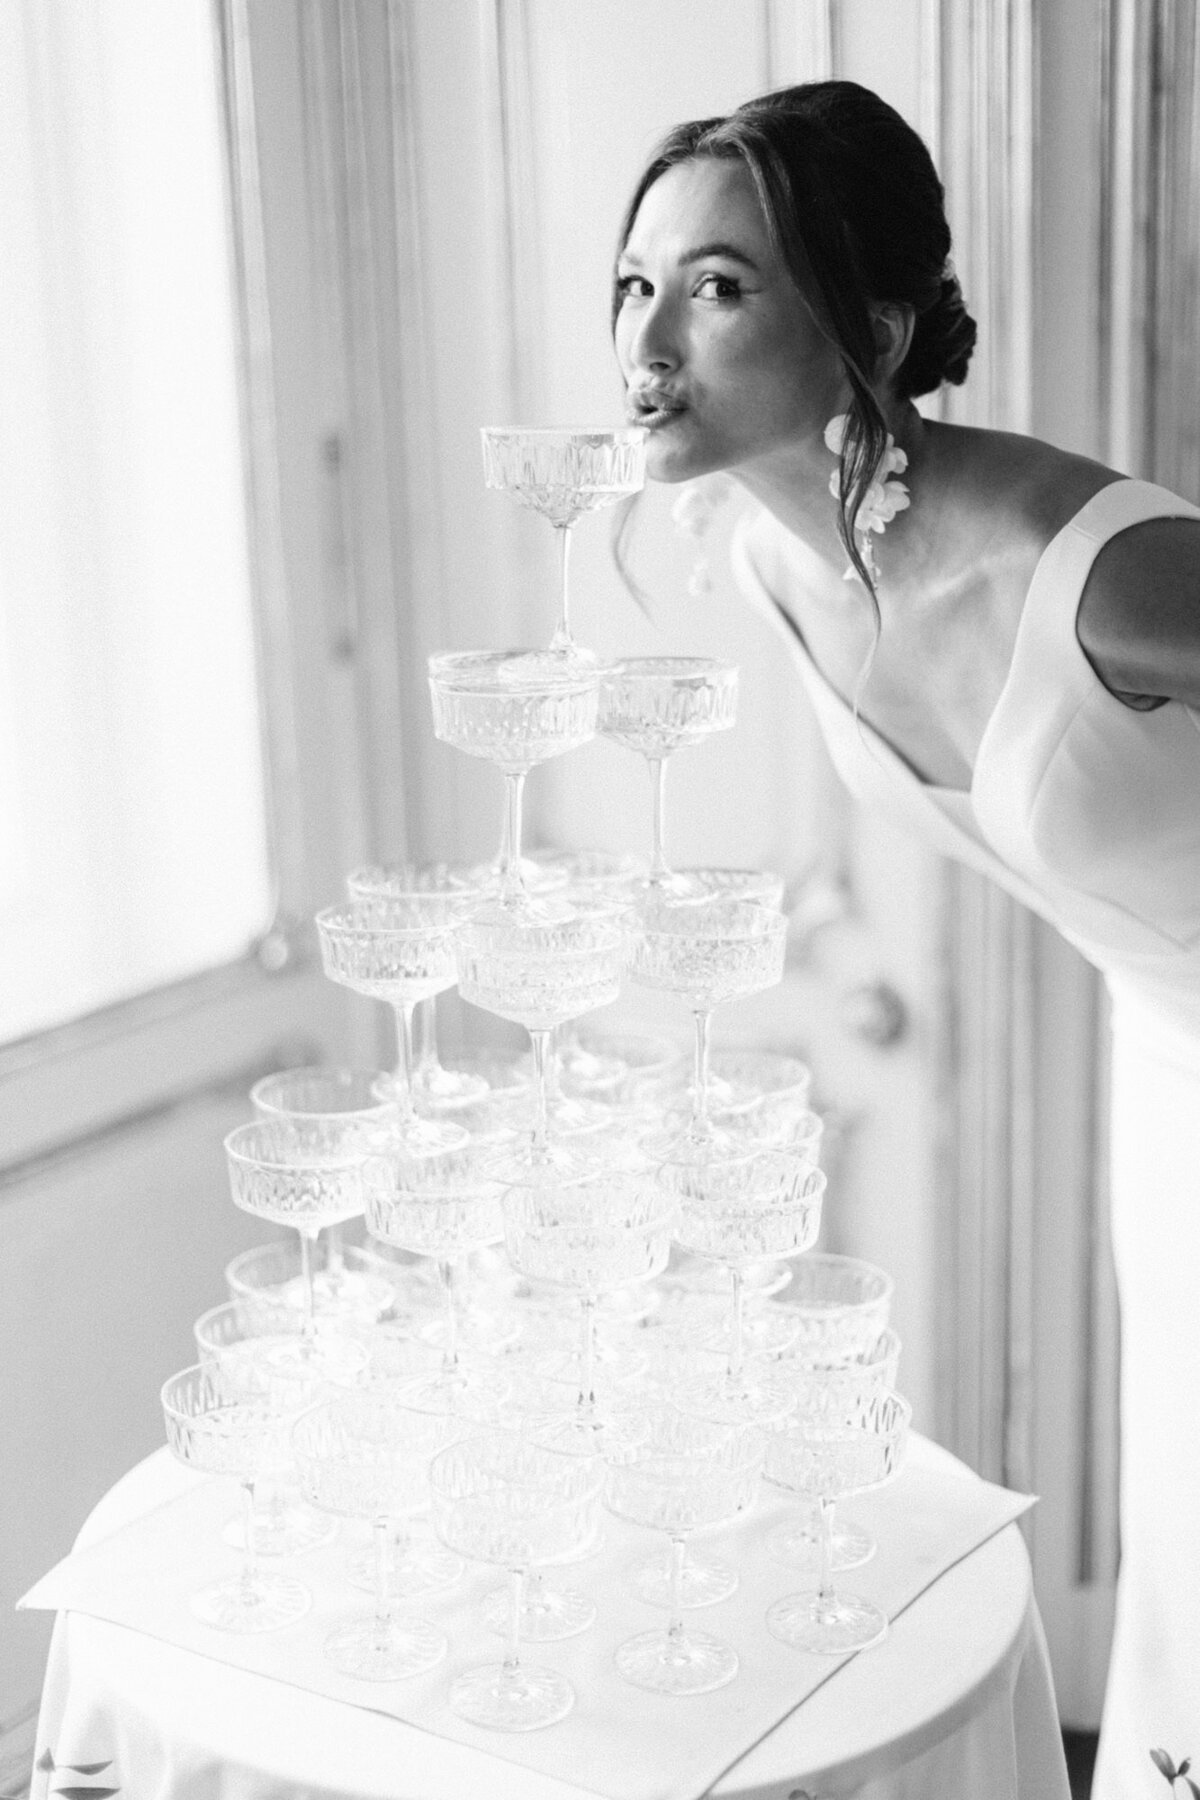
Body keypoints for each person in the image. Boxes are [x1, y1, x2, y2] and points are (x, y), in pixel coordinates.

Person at [612, 79, 1200, 1798]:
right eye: (634, 285)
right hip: (1171, 1060)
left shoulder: (1088, 576)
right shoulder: (753, 548)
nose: (650, 342)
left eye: (720, 287)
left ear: (867, 322)